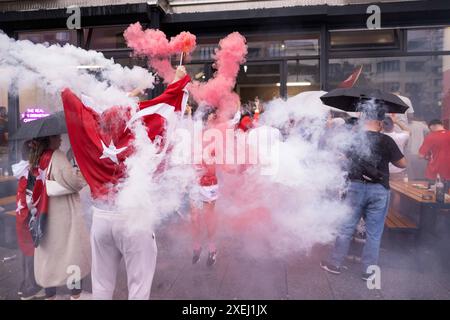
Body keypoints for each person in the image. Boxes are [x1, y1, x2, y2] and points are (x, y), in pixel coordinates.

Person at [320, 106, 407, 281]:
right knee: (374, 233)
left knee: (346, 228)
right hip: (379, 190)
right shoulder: (387, 141)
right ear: (380, 123)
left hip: (355, 187)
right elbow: (402, 164)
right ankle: (369, 272)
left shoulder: (354, 139)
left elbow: (339, 158)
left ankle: (335, 263)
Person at [30, 135, 91, 300]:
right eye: (57, 136)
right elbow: (74, 182)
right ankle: (75, 297)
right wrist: (81, 173)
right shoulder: (57, 156)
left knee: (50, 260)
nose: (60, 139)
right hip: (64, 216)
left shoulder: (39, 157)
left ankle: (50, 297)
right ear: (49, 139)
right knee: (73, 258)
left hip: (45, 215)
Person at [11, 141, 45, 300]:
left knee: (25, 250)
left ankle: (25, 283)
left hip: (21, 217)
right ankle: (33, 287)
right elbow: (33, 200)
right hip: (28, 218)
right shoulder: (31, 172)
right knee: (32, 250)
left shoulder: (23, 169)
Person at [190, 107, 219, 266]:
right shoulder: (196, 134)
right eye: (209, 117)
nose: (211, 120)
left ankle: (212, 248)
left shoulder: (220, 136)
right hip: (195, 181)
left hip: (209, 183)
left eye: (214, 117)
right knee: (194, 218)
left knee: (208, 218)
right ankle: (196, 246)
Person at [382, 115, 410, 181]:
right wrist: (396, 121)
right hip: (397, 171)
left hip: (382, 171)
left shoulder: (379, 137)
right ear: (393, 126)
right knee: (397, 190)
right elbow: (408, 131)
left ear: (382, 126)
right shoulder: (400, 137)